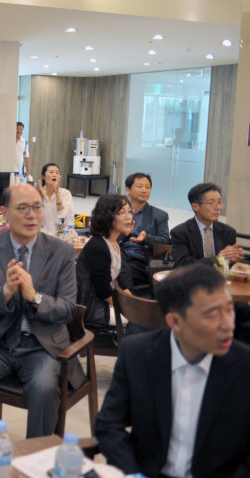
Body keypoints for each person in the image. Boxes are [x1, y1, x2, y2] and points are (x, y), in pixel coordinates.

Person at [0, 183, 83, 447]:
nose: (32, 215)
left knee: (44, 389)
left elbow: (67, 309)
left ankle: (33, 459)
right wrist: (6, 291)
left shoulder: (61, 251)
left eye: (37, 207)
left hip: (42, 347)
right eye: (22, 208)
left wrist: (34, 296)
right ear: (5, 213)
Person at [95, 265, 250, 477]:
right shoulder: (137, 354)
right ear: (175, 321)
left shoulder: (244, 365)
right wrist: (132, 474)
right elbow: (109, 425)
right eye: (212, 315)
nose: (228, 325)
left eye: (229, 310)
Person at [76, 195, 136, 328]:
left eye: (129, 211)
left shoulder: (114, 242)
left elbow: (118, 281)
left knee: (141, 313)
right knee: (136, 321)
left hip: (105, 300)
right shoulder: (98, 246)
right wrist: (130, 308)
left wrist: (133, 302)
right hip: (91, 306)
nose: (128, 217)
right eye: (121, 212)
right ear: (107, 216)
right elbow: (104, 291)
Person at [170, 182, 243, 267]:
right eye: (211, 203)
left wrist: (234, 258)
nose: (218, 208)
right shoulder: (180, 233)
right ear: (195, 206)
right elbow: (183, 265)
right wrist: (217, 259)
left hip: (220, 275)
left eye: (219, 202)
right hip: (193, 276)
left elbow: (230, 266)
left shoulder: (228, 232)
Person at [119, 172, 171, 287]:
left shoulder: (159, 215)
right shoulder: (118, 212)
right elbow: (109, 235)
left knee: (121, 270)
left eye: (147, 187)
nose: (144, 190)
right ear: (128, 190)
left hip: (141, 260)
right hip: (118, 254)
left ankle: (128, 297)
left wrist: (146, 238)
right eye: (139, 186)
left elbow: (165, 241)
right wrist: (124, 234)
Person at [37, 162, 73, 235]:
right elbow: (35, 216)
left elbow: (62, 217)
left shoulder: (65, 193)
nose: (54, 175)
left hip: (61, 234)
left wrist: (57, 193)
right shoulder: (38, 193)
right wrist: (42, 199)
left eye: (57, 173)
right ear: (43, 176)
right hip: (42, 235)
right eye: (51, 172)